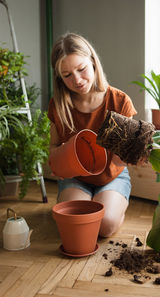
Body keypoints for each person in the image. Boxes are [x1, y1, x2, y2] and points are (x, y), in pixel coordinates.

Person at [48, 32, 137, 237]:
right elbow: (53, 148)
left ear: (93, 62)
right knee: (78, 222)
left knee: (104, 226)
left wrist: (131, 155)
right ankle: (89, 200)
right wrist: (57, 162)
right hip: (75, 178)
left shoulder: (119, 102)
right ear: (59, 77)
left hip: (111, 177)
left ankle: (116, 209)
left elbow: (119, 161)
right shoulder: (59, 105)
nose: (77, 80)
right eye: (67, 75)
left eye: (81, 69)